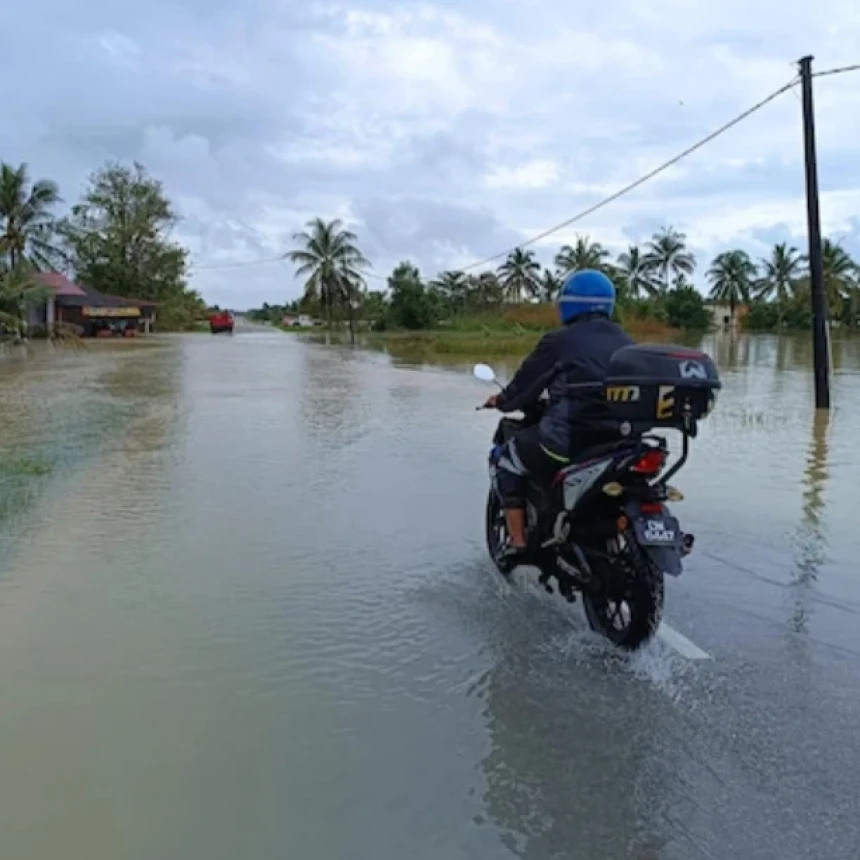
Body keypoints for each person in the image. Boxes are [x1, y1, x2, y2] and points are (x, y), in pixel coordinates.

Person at [483, 268, 633, 557]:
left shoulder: (559, 341)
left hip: (568, 442)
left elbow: (522, 389)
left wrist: (500, 401)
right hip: (620, 442)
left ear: (568, 303)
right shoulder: (626, 341)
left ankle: (517, 543)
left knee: (506, 459)